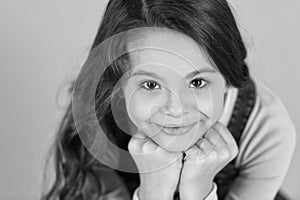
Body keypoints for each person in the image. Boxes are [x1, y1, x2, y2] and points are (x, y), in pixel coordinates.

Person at [42, 0, 297, 200]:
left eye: (197, 83)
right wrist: (154, 191)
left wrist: (199, 191)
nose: (177, 109)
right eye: (151, 85)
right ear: (117, 84)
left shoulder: (268, 131)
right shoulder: (98, 117)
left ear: (228, 77)